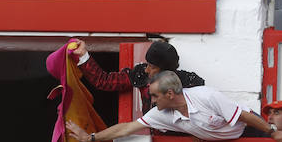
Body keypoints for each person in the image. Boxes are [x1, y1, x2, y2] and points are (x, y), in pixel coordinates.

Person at [65, 70, 282, 142]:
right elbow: (126, 128)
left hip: (250, 128)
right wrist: (91, 137)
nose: (152, 101)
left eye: (155, 96)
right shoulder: (161, 114)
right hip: (224, 140)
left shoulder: (206, 96)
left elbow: (245, 116)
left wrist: (270, 132)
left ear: (170, 94)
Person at [70, 36, 205, 94]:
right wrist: (83, 55)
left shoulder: (189, 82)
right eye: (147, 64)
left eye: (152, 66)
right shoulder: (140, 74)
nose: (146, 70)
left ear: (165, 70)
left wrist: (197, 132)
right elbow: (104, 81)